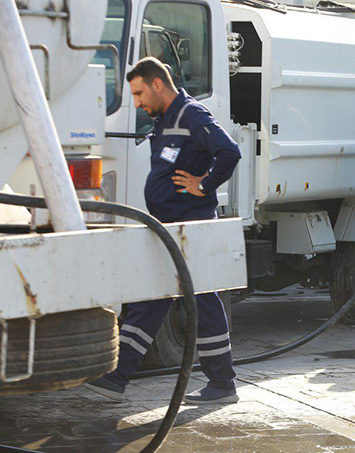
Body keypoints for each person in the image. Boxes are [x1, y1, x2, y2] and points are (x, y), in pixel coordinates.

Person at [85, 57, 242, 404]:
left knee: (202, 299)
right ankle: (116, 376)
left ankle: (222, 383)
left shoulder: (191, 114)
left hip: (191, 225)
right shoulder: (165, 120)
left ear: (158, 84)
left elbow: (229, 152)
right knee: (152, 297)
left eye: (139, 93)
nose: (137, 101)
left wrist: (204, 185)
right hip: (167, 224)